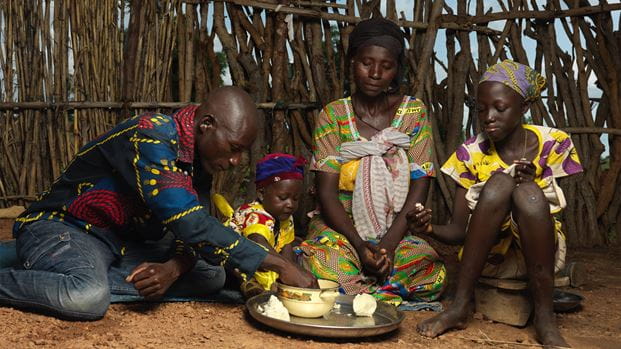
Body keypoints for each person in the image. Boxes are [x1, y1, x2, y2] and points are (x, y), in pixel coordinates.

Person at [0, 86, 316, 320]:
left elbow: (193, 231)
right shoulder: (151, 134)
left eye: (242, 152)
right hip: (67, 230)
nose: (236, 161)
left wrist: (170, 270)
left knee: (213, 275)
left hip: (119, 244)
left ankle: (48, 265)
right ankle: (57, 268)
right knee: (86, 297)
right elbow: (189, 223)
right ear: (206, 124)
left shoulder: (199, 159)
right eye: (233, 148)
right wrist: (278, 263)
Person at [410, 60, 582, 347]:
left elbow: (550, 212)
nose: (488, 117)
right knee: (500, 183)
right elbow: (458, 231)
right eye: (480, 109)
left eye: (499, 108)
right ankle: (460, 305)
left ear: (524, 107)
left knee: (528, 194)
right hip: (490, 259)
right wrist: (428, 229)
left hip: (540, 257)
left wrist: (531, 184)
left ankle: (545, 318)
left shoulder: (554, 143)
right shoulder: (470, 154)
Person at [296, 17, 446, 305]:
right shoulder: (334, 115)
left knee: (430, 269)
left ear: (396, 70)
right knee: (326, 263)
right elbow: (327, 194)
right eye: (367, 62)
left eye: (386, 66)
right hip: (342, 228)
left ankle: (357, 292)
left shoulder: (413, 112)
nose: (375, 73)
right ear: (352, 61)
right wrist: (360, 245)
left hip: (395, 229)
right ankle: (375, 290)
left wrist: (388, 245)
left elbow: (420, 186)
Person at [216, 153, 305, 298]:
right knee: (241, 267)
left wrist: (292, 274)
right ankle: (250, 286)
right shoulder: (256, 215)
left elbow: (287, 247)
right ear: (262, 194)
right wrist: (285, 269)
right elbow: (259, 245)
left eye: (295, 199)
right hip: (230, 260)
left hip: (260, 260)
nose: (290, 204)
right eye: (283, 198)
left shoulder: (286, 217)